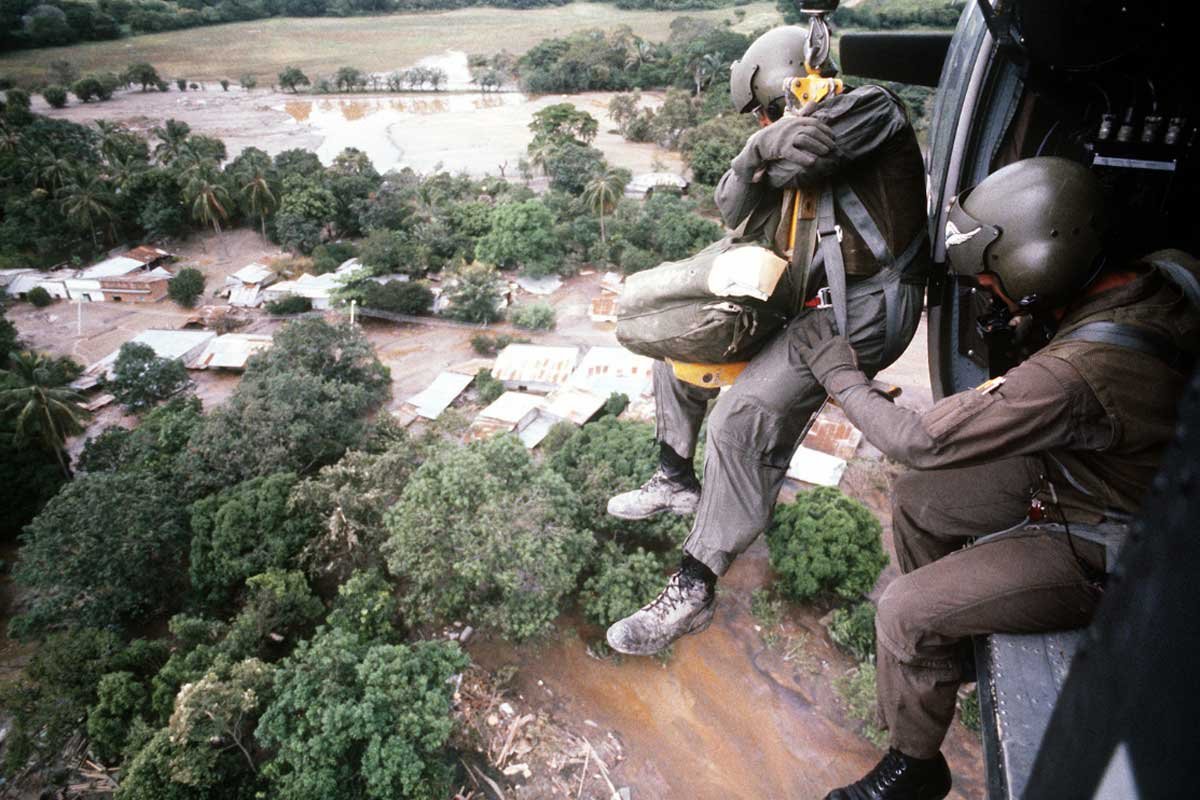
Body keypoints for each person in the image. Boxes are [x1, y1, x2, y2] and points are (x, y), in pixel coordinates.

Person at [792, 157, 1200, 800]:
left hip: (1112, 532)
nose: (985, 286)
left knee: (901, 611)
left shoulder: (1072, 374)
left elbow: (919, 440)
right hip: (1099, 467)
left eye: (991, 276)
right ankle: (943, 655)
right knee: (915, 501)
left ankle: (916, 764)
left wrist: (837, 371)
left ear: (1036, 273)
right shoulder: (1161, 276)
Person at [605, 25, 929, 656]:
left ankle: (694, 586)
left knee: (738, 419)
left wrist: (770, 147)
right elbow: (733, 204)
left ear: (786, 81)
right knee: (680, 343)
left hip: (865, 306)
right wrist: (755, 152)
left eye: (766, 107)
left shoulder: (873, 109)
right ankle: (673, 475)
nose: (765, 120)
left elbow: (809, 153)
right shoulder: (771, 137)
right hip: (807, 301)